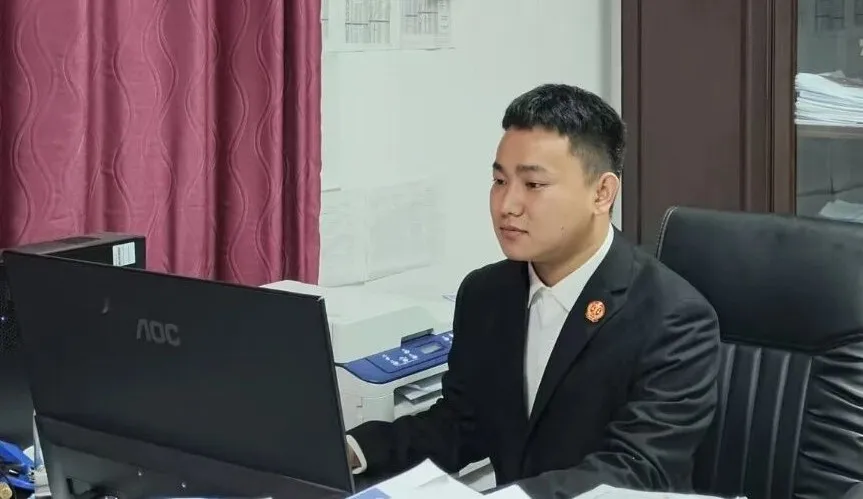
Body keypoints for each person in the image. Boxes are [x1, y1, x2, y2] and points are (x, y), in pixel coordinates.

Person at [346, 83, 721, 498]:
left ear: (602, 193)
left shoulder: (674, 318)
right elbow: (461, 423)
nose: (507, 205)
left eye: (533, 184)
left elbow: (634, 469)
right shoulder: (486, 294)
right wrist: (356, 450)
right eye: (499, 180)